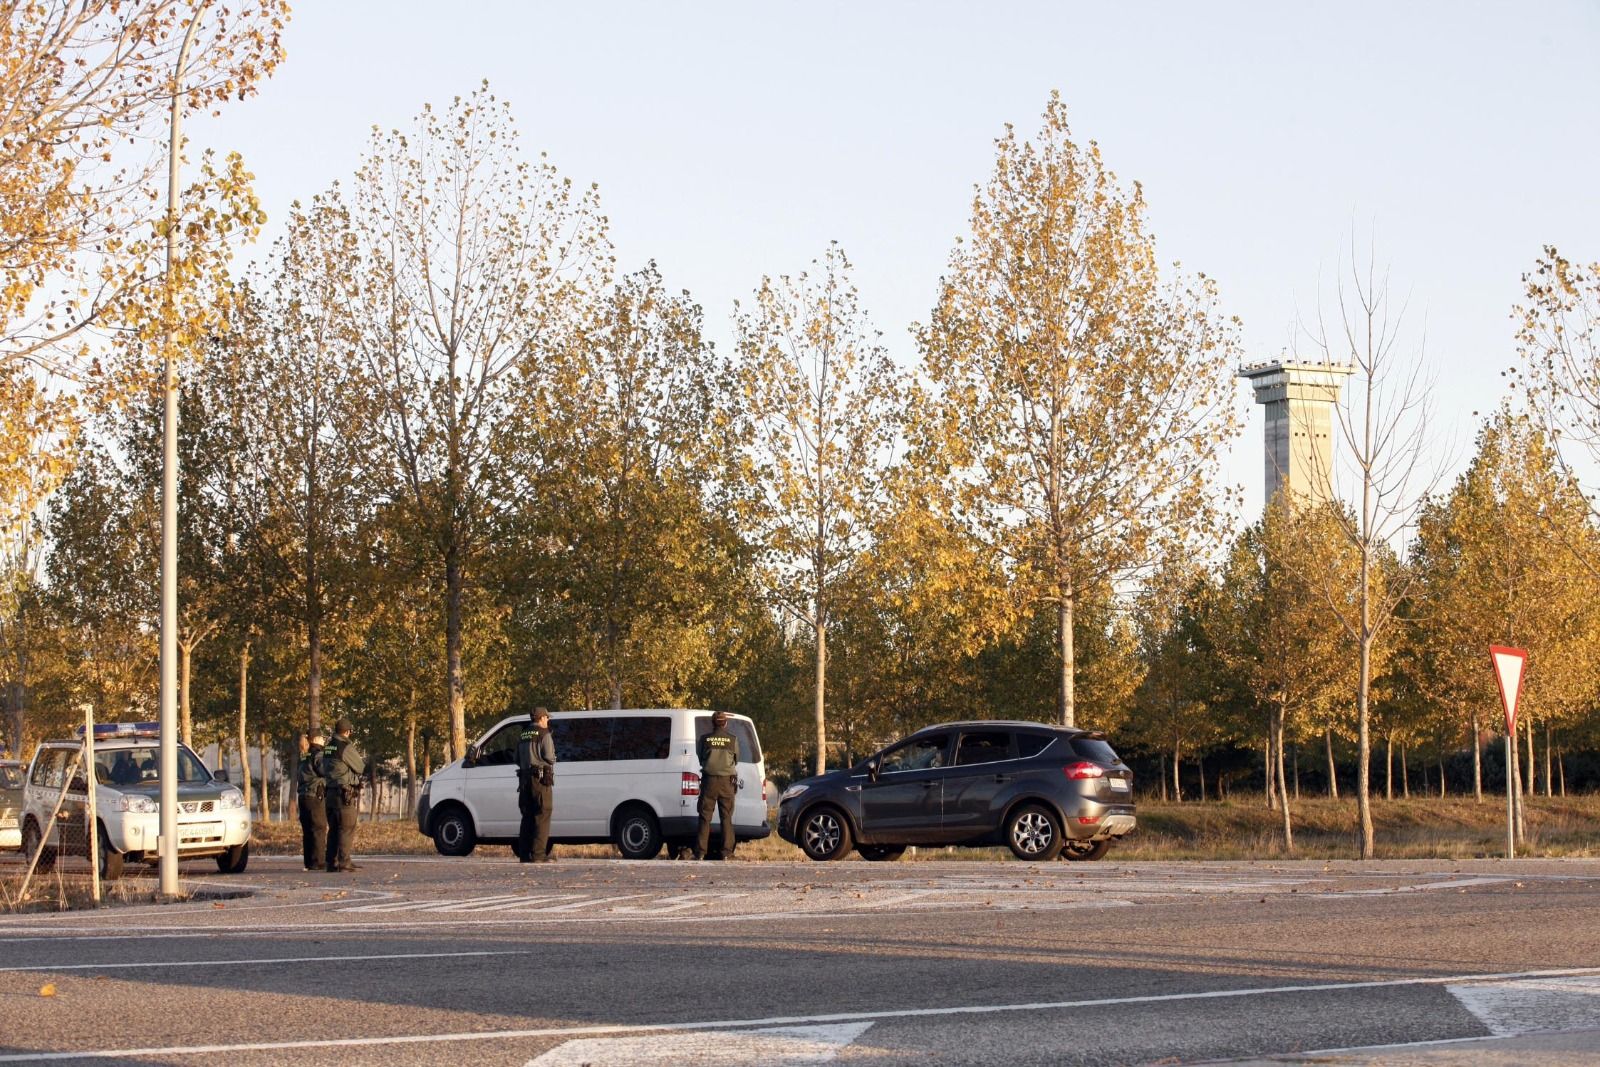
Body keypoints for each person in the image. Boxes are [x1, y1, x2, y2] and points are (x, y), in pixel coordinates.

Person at [694, 711, 740, 860]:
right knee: (726, 817)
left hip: (709, 782)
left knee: (705, 817)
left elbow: (700, 758)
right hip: (727, 782)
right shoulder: (732, 740)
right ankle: (727, 852)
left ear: (713, 723)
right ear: (725, 723)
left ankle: (700, 852)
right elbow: (736, 759)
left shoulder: (704, 739)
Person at [321, 718, 365, 872]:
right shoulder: (345, 746)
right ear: (347, 732)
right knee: (347, 827)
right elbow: (360, 767)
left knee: (333, 828)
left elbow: (322, 768)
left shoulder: (328, 747)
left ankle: (330, 862)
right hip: (343, 793)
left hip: (330, 792)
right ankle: (344, 862)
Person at [515, 707, 556, 863]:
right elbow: (550, 758)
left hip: (524, 780)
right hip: (540, 780)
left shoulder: (523, 734)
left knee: (527, 817)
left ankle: (524, 855)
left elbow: (516, 759)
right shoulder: (544, 734)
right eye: (547, 718)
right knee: (543, 815)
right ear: (541, 718)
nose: (548, 720)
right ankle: (538, 855)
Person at [296, 732, 328, 871]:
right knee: (319, 828)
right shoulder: (317, 754)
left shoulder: (304, 755)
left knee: (308, 830)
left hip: (303, 797)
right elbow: (325, 770)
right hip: (315, 796)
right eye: (322, 738)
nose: (324, 740)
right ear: (316, 740)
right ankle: (319, 862)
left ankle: (309, 862)